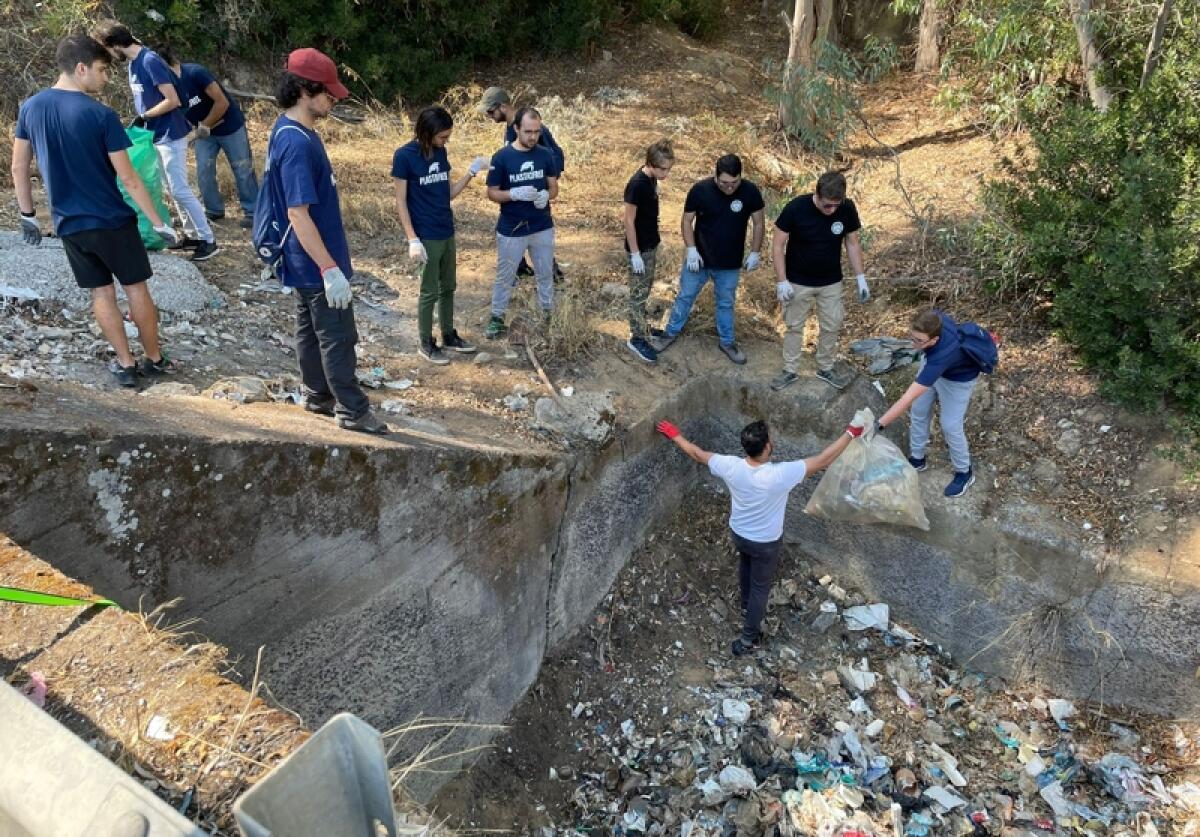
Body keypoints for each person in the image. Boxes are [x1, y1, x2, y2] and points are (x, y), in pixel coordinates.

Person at [12, 34, 180, 388]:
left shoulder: (30, 108)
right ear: (80, 68)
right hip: (112, 220)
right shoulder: (101, 116)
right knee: (136, 289)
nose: (106, 78)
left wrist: (28, 215)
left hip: (69, 224)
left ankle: (125, 363)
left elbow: (18, 167)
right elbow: (130, 179)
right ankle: (154, 359)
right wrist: (159, 222)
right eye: (103, 71)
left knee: (101, 293)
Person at [656, 414, 866, 655]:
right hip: (765, 543)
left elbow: (696, 453)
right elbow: (823, 460)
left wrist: (675, 435)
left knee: (745, 564)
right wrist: (851, 433)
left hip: (739, 534)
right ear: (767, 446)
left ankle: (746, 607)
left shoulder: (730, 466)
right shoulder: (780, 474)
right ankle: (747, 640)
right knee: (760, 589)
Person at [262, 48, 386, 434]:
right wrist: (330, 268)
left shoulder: (290, 130)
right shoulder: (297, 143)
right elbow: (299, 214)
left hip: (304, 259)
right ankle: (352, 410)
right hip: (316, 258)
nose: (334, 99)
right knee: (337, 335)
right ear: (304, 89)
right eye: (328, 93)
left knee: (310, 329)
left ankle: (317, 395)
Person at [91, 21, 218, 261]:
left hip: (170, 133)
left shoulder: (149, 60)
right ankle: (193, 235)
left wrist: (145, 116)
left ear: (114, 44)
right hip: (155, 134)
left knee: (180, 189)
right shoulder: (133, 64)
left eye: (106, 49)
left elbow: (173, 100)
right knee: (171, 189)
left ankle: (209, 240)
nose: (107, 55)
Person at [392, 106, 487, 364]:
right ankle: (426, 342)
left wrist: (471, 172)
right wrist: (412, 238)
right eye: (442, 136)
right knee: (429, 291)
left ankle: (448, 334)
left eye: (447, 136)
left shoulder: (441, 153)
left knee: (449, 286)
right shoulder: (404, 156)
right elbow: (401, 201)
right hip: (426, 233)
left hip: (446, 228)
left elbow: (448, 193)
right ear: (427, 132)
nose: (446, 141)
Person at [651, 154, 765, 365]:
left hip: (729, 262)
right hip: (700, 259)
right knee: (685, 296)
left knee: (725, 302)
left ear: (740, 177)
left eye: (734, 183)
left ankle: (727, 342)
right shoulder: (700, 190)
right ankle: (669, 333)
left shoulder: (749, 191)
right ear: (715, 176)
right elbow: (687, 221)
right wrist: (691, 249)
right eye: (724, 183)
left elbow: (758, 222)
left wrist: (755, 251)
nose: (729, 188)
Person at [770, 171, 869, 391]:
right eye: (827, 206)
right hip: (798, 280)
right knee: (794, 326)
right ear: (817, 194)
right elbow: (777, 245)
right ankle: (790, 370)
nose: (832, 210)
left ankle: (825, 367)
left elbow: (852, 243)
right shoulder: (796, 208)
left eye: (836, 205)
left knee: (832, 325)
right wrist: (782, 280)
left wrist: (861, 277)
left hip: (831, 280)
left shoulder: (847, 208)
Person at [876, 309, 982, 497]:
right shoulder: (935, 319)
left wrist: (879, 424)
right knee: (919, 409)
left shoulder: (943, 355)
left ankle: (964, 472)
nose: (913, 344)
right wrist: (920, 344)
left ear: (934, 340)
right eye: (912, 337)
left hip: (958, 380)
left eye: (919, 341)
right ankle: (917, 459)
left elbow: (907, 397)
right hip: (935, 365)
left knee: (950, 425)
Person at [159, 48, 258, 229]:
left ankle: (253, 211)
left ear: (167, 64)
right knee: (204, 171)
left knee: (242, 168)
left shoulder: (195, 73)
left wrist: (205, 125)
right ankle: (214, 210)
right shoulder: (168, 86)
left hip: (230, 126)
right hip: (205, 132)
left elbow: (223, 102)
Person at [484, 106, 560, 340]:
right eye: (528, 131)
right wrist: (514, 194)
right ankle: (497, 318)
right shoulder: (502, 157)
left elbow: (553, 186)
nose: (533, 137)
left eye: (537, 131)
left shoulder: (545, 154)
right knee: (506, 275)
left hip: (541, 224)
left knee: (545, 272)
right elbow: (492, 192)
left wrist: (547, 195)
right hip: (512, 228)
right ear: (516, 128)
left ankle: (548, 313)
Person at [480, 86, 565, 283]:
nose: (489, 116)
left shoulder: (527, 126)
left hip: (536, 186)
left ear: (502, 107)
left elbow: (552, 156)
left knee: (534, 228)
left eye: (491, 112)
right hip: (520, 188)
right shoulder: (512, 128)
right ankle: (522, 268)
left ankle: (551, 274)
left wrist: (544, 188)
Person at [622, 139, 675, 364]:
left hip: (650, 244)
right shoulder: (637, 184)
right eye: (663, 168)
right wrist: (635, 254)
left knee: (645, 289)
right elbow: (628, 220)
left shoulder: (652, 179)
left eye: (668, 169)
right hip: (640, 248)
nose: (666, 173)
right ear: (650, 163)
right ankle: (635, 337)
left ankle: (642, 326)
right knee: (637, 293)